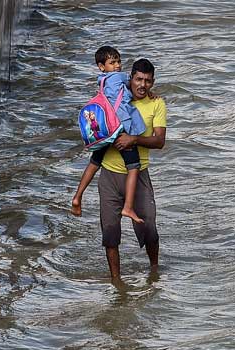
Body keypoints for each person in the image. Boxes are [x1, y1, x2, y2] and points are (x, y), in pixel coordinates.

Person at [97, 58, 167, 280]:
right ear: (130, 79)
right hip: (109, 173)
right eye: (138, 79)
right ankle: (116, 282)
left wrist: (133, 139)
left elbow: (159, 141)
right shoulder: (116, 97)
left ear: (153, 82)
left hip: (139, 175)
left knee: (150, 230)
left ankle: (154, 273)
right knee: (109, 234)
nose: (142, 85)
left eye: (147, 81)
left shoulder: (157, 104)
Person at [71, 46, 147, 224]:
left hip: (106, 130)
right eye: (112, 62)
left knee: (94, 162)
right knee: (134, 166)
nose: (117, 66)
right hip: (120, 129)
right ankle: (128, 207)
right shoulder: (117, 78)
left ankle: (77, 197)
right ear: (101, 66)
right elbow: (134, 82)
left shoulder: (102, 81)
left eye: (118, 61)